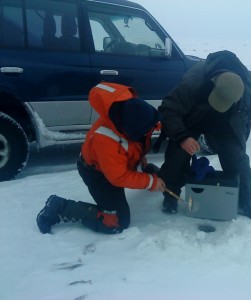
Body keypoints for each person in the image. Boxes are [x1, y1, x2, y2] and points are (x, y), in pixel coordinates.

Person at [158, 50, 251, 218]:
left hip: (227, 125)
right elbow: (169, 109)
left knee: (238, 160)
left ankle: (246, 201)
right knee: (176, 157)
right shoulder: (194, 81)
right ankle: (170, 196)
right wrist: (182, 137)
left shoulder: (250, 89)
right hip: (193, 120)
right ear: (213, 83)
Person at [36, 82, 165, 234]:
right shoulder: (106, 141)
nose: (150, 129)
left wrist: (141, 157)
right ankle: (59, 207)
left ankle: (146, 175)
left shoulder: (136, 113)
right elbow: (118, 176)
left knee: (141, 174)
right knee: (116, 222)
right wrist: (150, 182)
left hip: (116, 165)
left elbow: (143, 137)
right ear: (131, 132)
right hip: (98, 174)